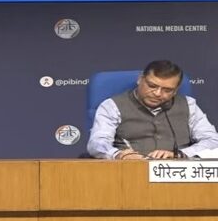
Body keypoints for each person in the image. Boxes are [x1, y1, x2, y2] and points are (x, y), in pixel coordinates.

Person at [87, 60, 218, 160]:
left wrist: (180, 154)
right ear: (140, 80)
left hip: (178, 173)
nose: (158, 93)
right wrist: (119, 154)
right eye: (152, 86)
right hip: (130, 171)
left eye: (167, 90)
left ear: (175, 91)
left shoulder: (189, 105)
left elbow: (212, 141)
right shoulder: (112, 106)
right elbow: (97, 143)